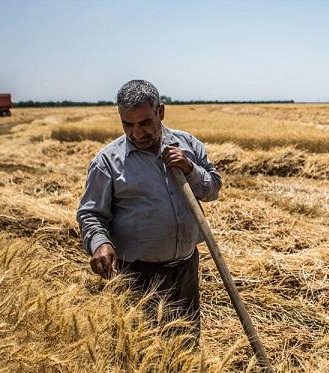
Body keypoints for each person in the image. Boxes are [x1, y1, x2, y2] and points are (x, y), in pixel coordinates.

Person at [76, 80, 221, 338]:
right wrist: (100, 243)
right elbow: (91, 214)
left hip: (186, 269)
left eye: (144, 123)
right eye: (127, 124)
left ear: (160, 112)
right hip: (138, 275)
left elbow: (212, 190)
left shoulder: (188, 145)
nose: (136, 133)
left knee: (186, 342)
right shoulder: (107, 162)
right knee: (142, 348)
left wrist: (190, 169)